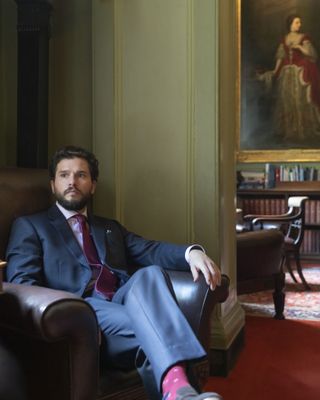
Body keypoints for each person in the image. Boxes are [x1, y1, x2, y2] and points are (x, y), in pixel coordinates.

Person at [6, 146, 223, 400]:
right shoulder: (31, 226)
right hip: (81, 311)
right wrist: (79, 316)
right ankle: (183, 391)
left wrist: (191, 253)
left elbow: (149, 249)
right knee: (162, 327)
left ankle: (179, 393)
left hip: (123, 303)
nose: (72, 182)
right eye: (64, 175)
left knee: (150, 273)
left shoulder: (109, 228)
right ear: (53, 185)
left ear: (93, 185)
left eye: (81, 175)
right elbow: (22, 283)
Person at [258, 14, 320, 141]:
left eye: (300, 22)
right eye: (297, 22)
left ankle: (303, 129)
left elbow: (311, 54)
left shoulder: (304, 38)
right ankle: (289, 130)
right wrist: (275, 71)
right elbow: (281, 57)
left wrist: (300, 47)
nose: (299, 25)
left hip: (301, 72)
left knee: (301, 99)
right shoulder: (284, 39)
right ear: (291, 23)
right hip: (286, 72)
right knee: (287, 100)